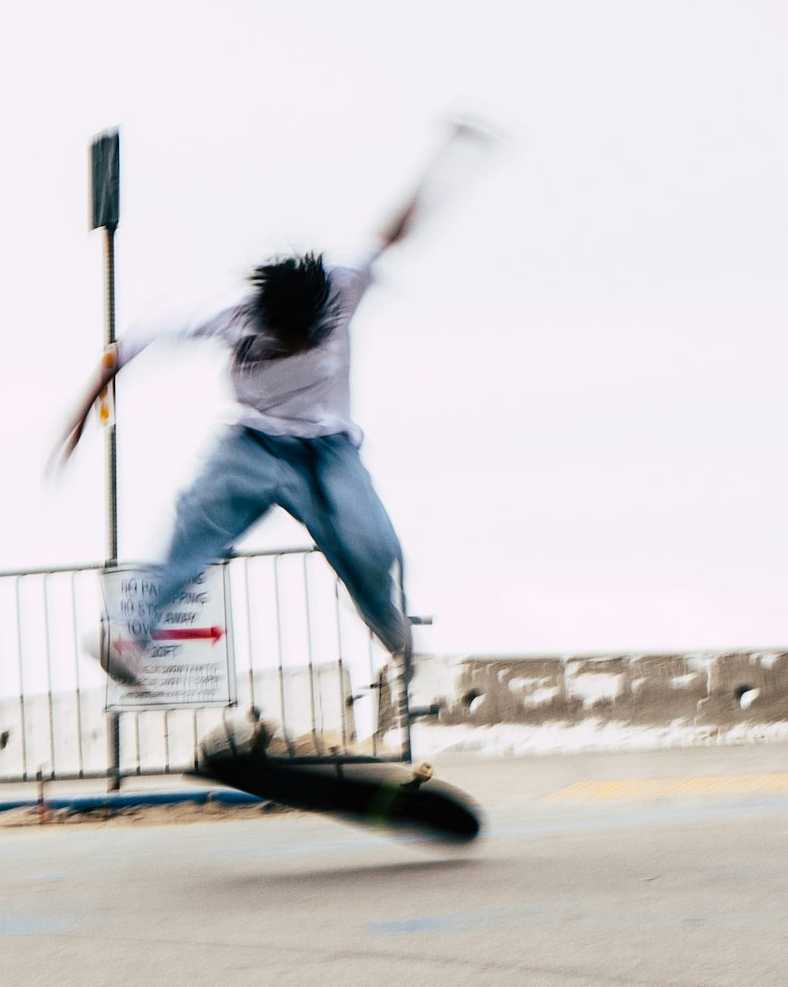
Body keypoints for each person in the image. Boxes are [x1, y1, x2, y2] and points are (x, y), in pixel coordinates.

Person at [53, 120, 497, 687]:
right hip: (253, 443)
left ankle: (402, 644)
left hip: (329, 451)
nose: (300, 348)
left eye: (309, 339)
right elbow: (129, 345)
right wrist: (79, 417)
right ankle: (131, 641)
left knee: (371, 546)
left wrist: (450, 158)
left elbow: (397, 230)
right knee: (194, 526)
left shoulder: (344, 283)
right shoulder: (227, 313)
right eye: (289, 342)